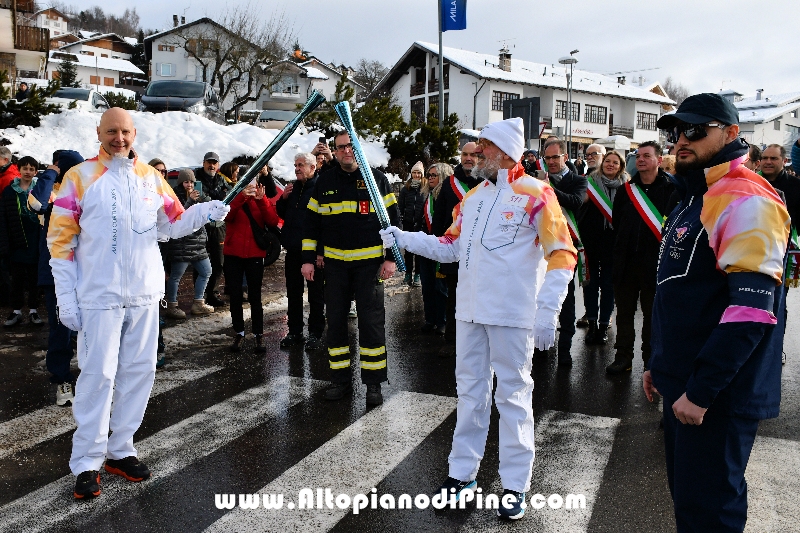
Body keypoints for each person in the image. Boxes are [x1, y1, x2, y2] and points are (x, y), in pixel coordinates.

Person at [380, 117, 576, 520]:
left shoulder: (536, 193)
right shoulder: (472, 198)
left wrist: (547, 309)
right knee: (470, 395)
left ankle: (515, 484)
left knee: (513, 397)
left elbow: (562, 253)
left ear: (504, 151)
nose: (475, 154)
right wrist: (404, 238)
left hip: (512, 314)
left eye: (483, 147)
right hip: (469, 313)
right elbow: (449, 246)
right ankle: (462, 475)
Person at [48, 108, 229, 500]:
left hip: (144, 294)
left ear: (134, 134)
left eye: (125, 131)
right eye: (112, 131)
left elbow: (171, 225)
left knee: (140, 372)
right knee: (98, 376)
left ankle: (121, 450)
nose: (119, 138)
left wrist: (203, 212)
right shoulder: (79, 177)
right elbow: (60, 243)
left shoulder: (151, 177)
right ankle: (87, 462)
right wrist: (67, 296)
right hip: (99, 296)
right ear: (99, 132)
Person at [644, 93, 790, 532]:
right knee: (690, 505)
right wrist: (658, 362)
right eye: (676, 132)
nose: (681, 140)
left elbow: (750, 311)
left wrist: (702, 390)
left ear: (730, 134)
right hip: (683, 382)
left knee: (710, 512)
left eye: (694, 130)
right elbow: (678, 293)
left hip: (716, 395)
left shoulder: (746, 198)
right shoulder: (693, 195)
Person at [301, 130, 400, 406]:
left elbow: (393, 222)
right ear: (334, 151)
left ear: (358, 148)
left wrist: (390, 258)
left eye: (350, 146)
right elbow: (311, 224)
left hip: (369, 266)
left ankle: (373, 384)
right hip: (335, 267)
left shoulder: (376, 180)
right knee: (335, 323)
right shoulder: (324, 182)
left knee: (371, 324)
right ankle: (340, 380)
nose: (346, 151)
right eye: (341, 147)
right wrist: (308, 259)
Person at [606, 141, 675, 375]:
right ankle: (623, 357)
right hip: (626, 265)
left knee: (651, 316)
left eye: (647, 155)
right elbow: (617, 224)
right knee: (624, 314)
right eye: (638, 156)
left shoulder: (671, 190)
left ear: (659, 160)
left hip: (655, 266)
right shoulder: (626, 191)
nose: (641, 159)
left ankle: (650, 360)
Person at [29, 150, 84, 406]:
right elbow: (35, 203)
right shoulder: (52, 200)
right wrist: (50, 173)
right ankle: (62, 378)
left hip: (88, 274)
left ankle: (95, 379)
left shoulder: (86, 196)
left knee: (92, 330)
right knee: (61, 329)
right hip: (55, 276)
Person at [541, 138, 588, 366]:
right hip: (543, 248)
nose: (551, 162)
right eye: (547, 158)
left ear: (565, 157)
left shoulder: (578, 180)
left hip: (567, 248)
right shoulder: (538, 180)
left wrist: (548, 189)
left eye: (555, 157)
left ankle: (565, 349)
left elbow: (575, 202)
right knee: (542, 298)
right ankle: (541, 346)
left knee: (566, 300)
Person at [432, 141, 481, 343]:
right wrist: (437, 247)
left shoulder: (487, 182)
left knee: (479, 300)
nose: (468, 158)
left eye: (473, 155)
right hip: (455, 253)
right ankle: (451, 341)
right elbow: (439, 218)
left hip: (480, 253)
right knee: (454, 298)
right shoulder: (449, 184)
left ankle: (476, 343)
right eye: (465, 154)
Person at [223, 177, 279, 353]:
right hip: (233, 254)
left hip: (254, 254)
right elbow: (226, 216)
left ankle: (258, 334)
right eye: (248, 185)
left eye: (253, 185)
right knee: (235, 295)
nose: (251, 189)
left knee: (255, 296)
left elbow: (272, 221)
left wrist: (262, 201)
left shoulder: (261, 198)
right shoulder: (234, 197)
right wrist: (241, 197)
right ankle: (239, 332)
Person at [578, 151, 628, 345]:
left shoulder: (627, 186)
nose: (611, 165)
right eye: (608, 161)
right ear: (602, 162)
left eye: (615, 162)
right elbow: (580, 203)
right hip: (591, 241)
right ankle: (591, 324)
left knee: (608, 286)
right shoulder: (590, 182)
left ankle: (604, 325)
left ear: (621, 166)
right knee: (590, 285)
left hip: (613, 243)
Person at [276, 153, 325, 351]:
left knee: (316, 295)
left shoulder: (320, 188)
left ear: (313, 167)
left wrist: (320, 252)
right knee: (293, 293)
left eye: (301, 165)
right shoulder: (293, 187)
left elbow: (325, 223)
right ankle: (295, 331)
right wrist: (283, 199)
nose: (296, 168)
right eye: (295, 165)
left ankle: (315, 332)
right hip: (294, 249)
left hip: (313, 252)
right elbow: (283, 213)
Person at [161, 169, 214, 319]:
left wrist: (203, 198)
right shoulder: (174, 196)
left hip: (197, 243)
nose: (189, 185)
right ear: (180, 183)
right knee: (176, 276)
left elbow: (206, 211)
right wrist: (190, 201)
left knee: (206, 271)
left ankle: (198, 303)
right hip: (181, 244)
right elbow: (179, 217)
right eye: (186, 182)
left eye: (191, 182)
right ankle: (172, 305)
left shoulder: (199, 195)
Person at [0, 156, 43, 327]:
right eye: (25, 168)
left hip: (35, 238)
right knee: (17, 278)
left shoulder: (40, 189)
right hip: (16, 239)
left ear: (36, 172)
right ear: (19, 170)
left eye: (31, 169)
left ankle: (33, 310)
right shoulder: (10, 191)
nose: (28, 172)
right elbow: (3, 216)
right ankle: (16, 310)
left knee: (34, 278)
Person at [576, 143, 607, 328]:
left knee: (607, 282)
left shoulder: (615, 179)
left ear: (604, 155)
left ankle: (605, 317)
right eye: (587, 154)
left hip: (608, 238)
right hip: (588, 236)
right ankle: (590, 313)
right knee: (589, 279)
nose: (589, 157)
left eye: (594, 154)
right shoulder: (584, 179)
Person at [417, 163, 450, 335]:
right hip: (425, 248)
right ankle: (430, 319)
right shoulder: (426, 195)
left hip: (440, 248)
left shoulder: (447, 197)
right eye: (428, 175)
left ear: (443, 176)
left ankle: (442, 321)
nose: (430, 178)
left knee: (441, 288)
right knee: (427, 286)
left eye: (434, 175)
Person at [195, 152, 230, 308]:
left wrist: (219, 198)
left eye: (214, 163)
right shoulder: (196, 178)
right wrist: (217, 199)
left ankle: (212, 293)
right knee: (200, 262)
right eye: (209, 162)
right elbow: (200, 198)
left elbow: (230, 196)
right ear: (203, 163)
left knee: (218, 262)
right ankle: (199, 296)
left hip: (218, 226)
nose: (211, 165)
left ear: (218, 165)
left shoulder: (222, 179)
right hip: (201, 225)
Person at [398, 161, 427, 286]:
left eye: (418, 173)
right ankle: (408, 273)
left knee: (419, 250)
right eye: (414, 172)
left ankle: (418, 275)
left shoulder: (426, 189)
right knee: (408, 250)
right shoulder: (406, 189)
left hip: (421, 224)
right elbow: (400, 205)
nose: (416, 175)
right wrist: (401, 218)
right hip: (408, 222)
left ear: (422, 174)